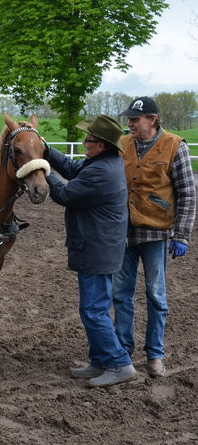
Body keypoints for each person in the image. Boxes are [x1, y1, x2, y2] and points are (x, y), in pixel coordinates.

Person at [45, 115, 136, 388]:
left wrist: (43, 170)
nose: (84, 142)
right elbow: (72, 168)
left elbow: (65, 194)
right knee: (96, 308)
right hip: (101, 247)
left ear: (103, 145)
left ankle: (119, 363)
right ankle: (100, 361)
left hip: (97, 248)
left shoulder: (101, 171)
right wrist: (46, 150)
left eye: (89, 140)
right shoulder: (104, 162)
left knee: (93, 310)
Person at [113, 96, 196, 378]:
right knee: (121, 295)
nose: (129, 124)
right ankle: (123, 350)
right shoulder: (122, 143)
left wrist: (182, 234)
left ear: (152, 119)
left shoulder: (174, 146)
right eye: (129, 119)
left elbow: (187, 192)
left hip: (157, 231)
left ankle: (155, 354)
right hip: (124, 232)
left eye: (135, 120)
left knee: (156, 295)